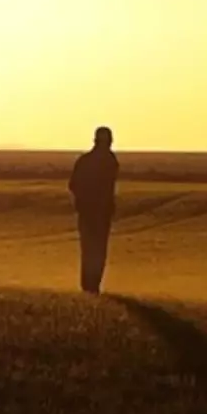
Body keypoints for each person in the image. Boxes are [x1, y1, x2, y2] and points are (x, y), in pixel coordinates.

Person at [68, 126, 119, 294]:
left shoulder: (86, 160)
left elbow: (73, 185)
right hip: (97, 213)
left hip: (92, 212)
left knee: (90, 249)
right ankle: (92, 285)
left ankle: (90, 285)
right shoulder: (110, 161)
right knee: (97, 249)